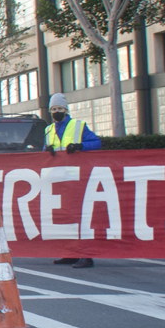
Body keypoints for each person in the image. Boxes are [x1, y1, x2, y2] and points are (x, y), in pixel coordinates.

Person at [45, 93, 102, 268]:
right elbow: (43, 151)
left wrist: (80, 146)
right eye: (53, 109)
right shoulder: (48, 130)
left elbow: (97, 142)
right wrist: (47, 150)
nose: (56, 112)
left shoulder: (78, 126)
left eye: (59, 109)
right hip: (60, 179)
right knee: (65, 217)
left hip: (77, 179)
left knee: (80, 217)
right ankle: (70, 253)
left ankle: (86, 255)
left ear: (66, 110)